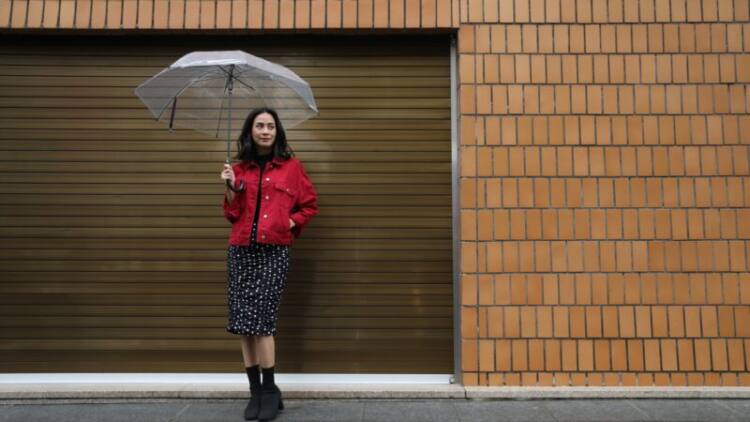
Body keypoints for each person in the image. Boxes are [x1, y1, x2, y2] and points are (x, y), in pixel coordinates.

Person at [220, 107, 318, 421]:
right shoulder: (239, 169)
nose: (265, 131)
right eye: (259, 125)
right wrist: (230, 187)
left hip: (274, 251)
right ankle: (255, 392)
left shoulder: (292, 167)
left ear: (277, 132)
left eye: (270, 126)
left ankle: (270, 389)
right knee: (243, 324)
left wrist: (289, 222)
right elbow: (232, 214)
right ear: (250, 131)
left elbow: (309, 204)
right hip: (241, 251)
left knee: (262, 321)